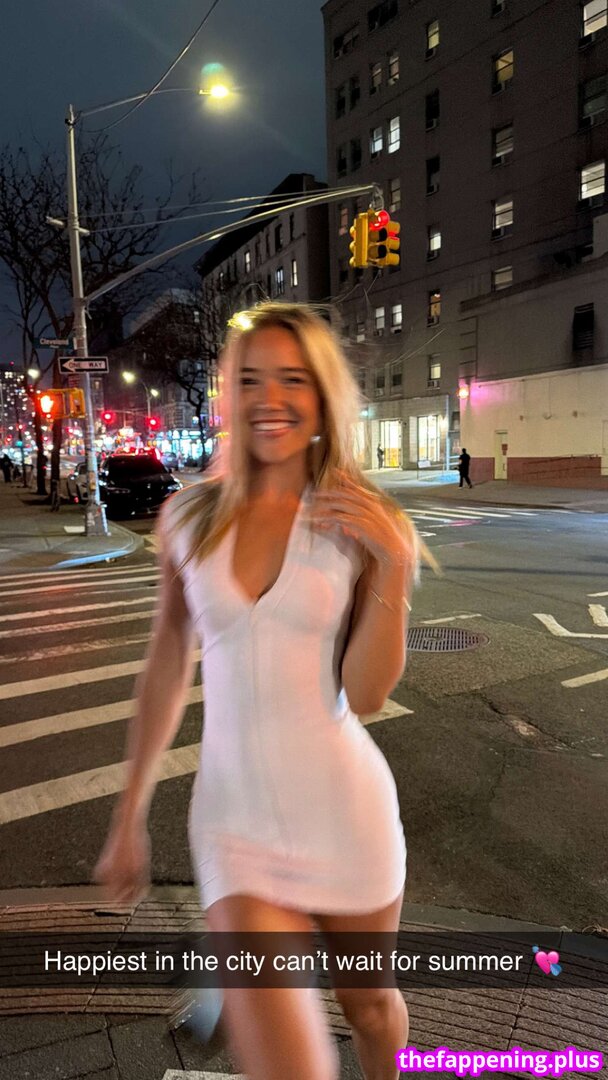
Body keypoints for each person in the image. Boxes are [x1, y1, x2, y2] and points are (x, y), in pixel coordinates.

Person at [95, 302, 434, 1080]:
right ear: (228, 393)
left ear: (321, 395)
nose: (269, 398)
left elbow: (367, 694)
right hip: (235, 826)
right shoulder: (188, 518)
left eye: (291, 379)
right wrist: (129, 811)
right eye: (249, 379)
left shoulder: (358, 520)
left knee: (370, 1008)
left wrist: (393, 568)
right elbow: (166, 661)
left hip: (344, 812)